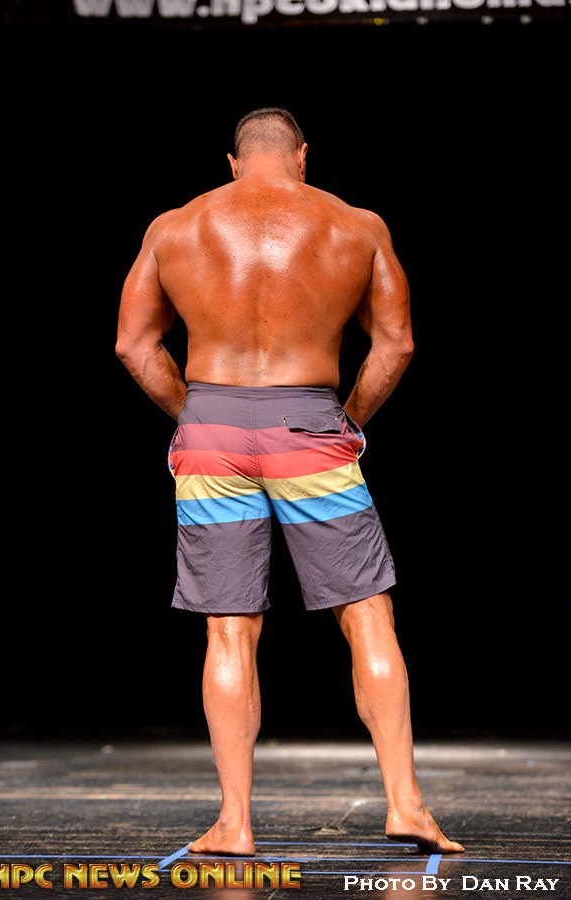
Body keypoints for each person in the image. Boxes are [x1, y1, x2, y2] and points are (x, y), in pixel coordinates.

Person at [115, 107, 465, 857]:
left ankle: (234, 823)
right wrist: (346, 419)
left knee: (229, 627)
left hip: (211, 431)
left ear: (234, 162)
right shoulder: (355, 225)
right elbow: (396, 343)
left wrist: (197, 416)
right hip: (310, 426)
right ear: (302, 156)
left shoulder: (175, 227)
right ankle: (405, 804)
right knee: (366, 613)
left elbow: (133, 345)